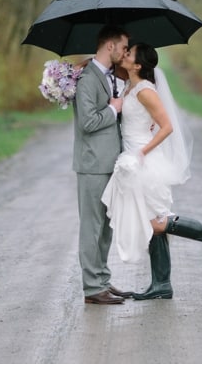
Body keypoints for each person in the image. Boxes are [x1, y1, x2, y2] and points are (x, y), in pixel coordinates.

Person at [100, 42, 202, 300]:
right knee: (153, 218)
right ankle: (161, 284)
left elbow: (167, 126)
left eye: (129, 53)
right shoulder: (130, 85)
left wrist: (142, 153)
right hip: (134, 159)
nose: (124, 54)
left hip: (145, 161)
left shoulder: (145, 90)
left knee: (155, 223)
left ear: (138, 65)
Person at [72, 24, 132, 305]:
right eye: (123, 47)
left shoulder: (109, 76)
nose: (125, 52)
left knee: (106, 227)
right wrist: (113, 109)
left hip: (111, 162)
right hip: (93, 164)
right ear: (110, 46)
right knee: (92, 227)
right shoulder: (87, 79)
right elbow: (87, 123)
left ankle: (103, 280)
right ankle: (92, 288)